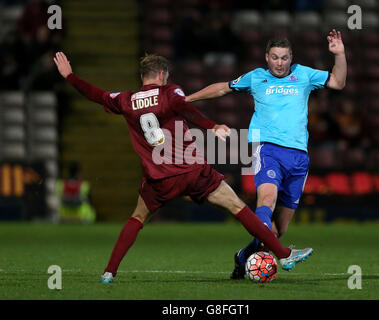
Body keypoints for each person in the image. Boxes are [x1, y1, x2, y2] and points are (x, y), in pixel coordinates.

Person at [53, 52, 313, 283]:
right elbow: (183, 106)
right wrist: (212, 126)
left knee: (137, 218)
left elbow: (96, 95)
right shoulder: (169, 92)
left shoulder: (126, 100)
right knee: (238, 207)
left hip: (158, 179)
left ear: (142, 75)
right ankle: (284, 254)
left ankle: (109, 272)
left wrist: (70, 76)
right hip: (192, 172)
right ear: (163, 74)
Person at [185, 29, 347, 279]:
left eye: (284, 58)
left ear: (291, 57)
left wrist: (339, 54)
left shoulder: (304, 74)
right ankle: (284, 255)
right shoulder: (256, 78)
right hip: (267, 149)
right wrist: (187, 99)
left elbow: (338, 82)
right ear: (266, 57)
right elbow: (221, 89)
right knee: (266, 201)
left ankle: (243, 257)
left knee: (278, 229)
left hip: (299, 157)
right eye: (275, 57)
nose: (280, 63)